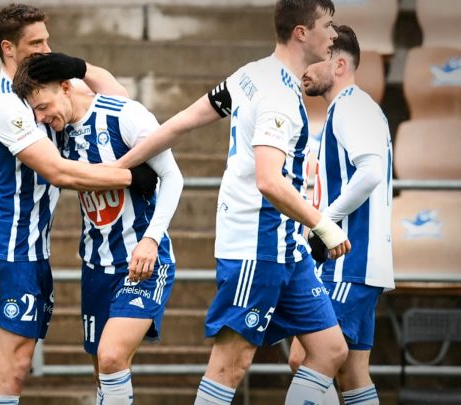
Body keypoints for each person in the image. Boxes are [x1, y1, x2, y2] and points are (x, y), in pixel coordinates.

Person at [106, 0, 352, 404]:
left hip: (286, 249)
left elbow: (182, 121)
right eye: (328, 25)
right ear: (301, 33)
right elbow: (269, 180)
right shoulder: (278, 95)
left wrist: (121, 163)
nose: (334, 35)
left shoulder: (250, 75)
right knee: (229, 365)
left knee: (331, 350)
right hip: (257, 246)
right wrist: (322, 224)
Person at [0, 5, 156, 405]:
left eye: (48, 40)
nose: (47, 50)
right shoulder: (3, 101)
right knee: (10, 371)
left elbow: (118, 99)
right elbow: (59, 173)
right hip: (3, 249)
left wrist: (79, 65)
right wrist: (130, 176)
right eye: (36, 43)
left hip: (31, 252)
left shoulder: (43, 89)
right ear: (8, 49)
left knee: (5, 368)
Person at [14, 52, 184, 404]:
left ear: (65, 87)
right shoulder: (55, 130)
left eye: (43, 107)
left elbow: (172, 177)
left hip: (142, 263)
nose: (41, 117)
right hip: (95, 266)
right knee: (104, 371)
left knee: (110, 357)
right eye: (35, 112)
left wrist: (151, 240)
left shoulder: (123, 114)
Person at [287, 25, 394, 405]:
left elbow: (370, 171)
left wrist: (323, 222)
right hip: (359, 263)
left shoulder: (351, 106)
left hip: (349, 261)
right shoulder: (353, 108)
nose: (305, 69)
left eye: (315, 62)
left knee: (306, 357)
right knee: (352, 373)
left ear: (340, 65)